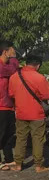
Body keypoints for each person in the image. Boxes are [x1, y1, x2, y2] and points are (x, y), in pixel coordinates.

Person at [7, 54, 49, 172]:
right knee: (37, 139)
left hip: (20, 112)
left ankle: (18, 164)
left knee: (20, 138)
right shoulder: (39, 78)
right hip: (36, 113)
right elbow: (47, 95)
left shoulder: (14, 77)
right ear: (38, 65)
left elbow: (11, 94)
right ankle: (38, 165)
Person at [0, 40, 20, 170]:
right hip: (1, 106)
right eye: (12, 50)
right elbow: (11, 69)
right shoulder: (4, 66)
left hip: (9, 105)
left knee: (9, 134)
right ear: (5, 51)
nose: (14, 52)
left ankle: (9, 159)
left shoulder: (10, 64)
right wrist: (14, 61)